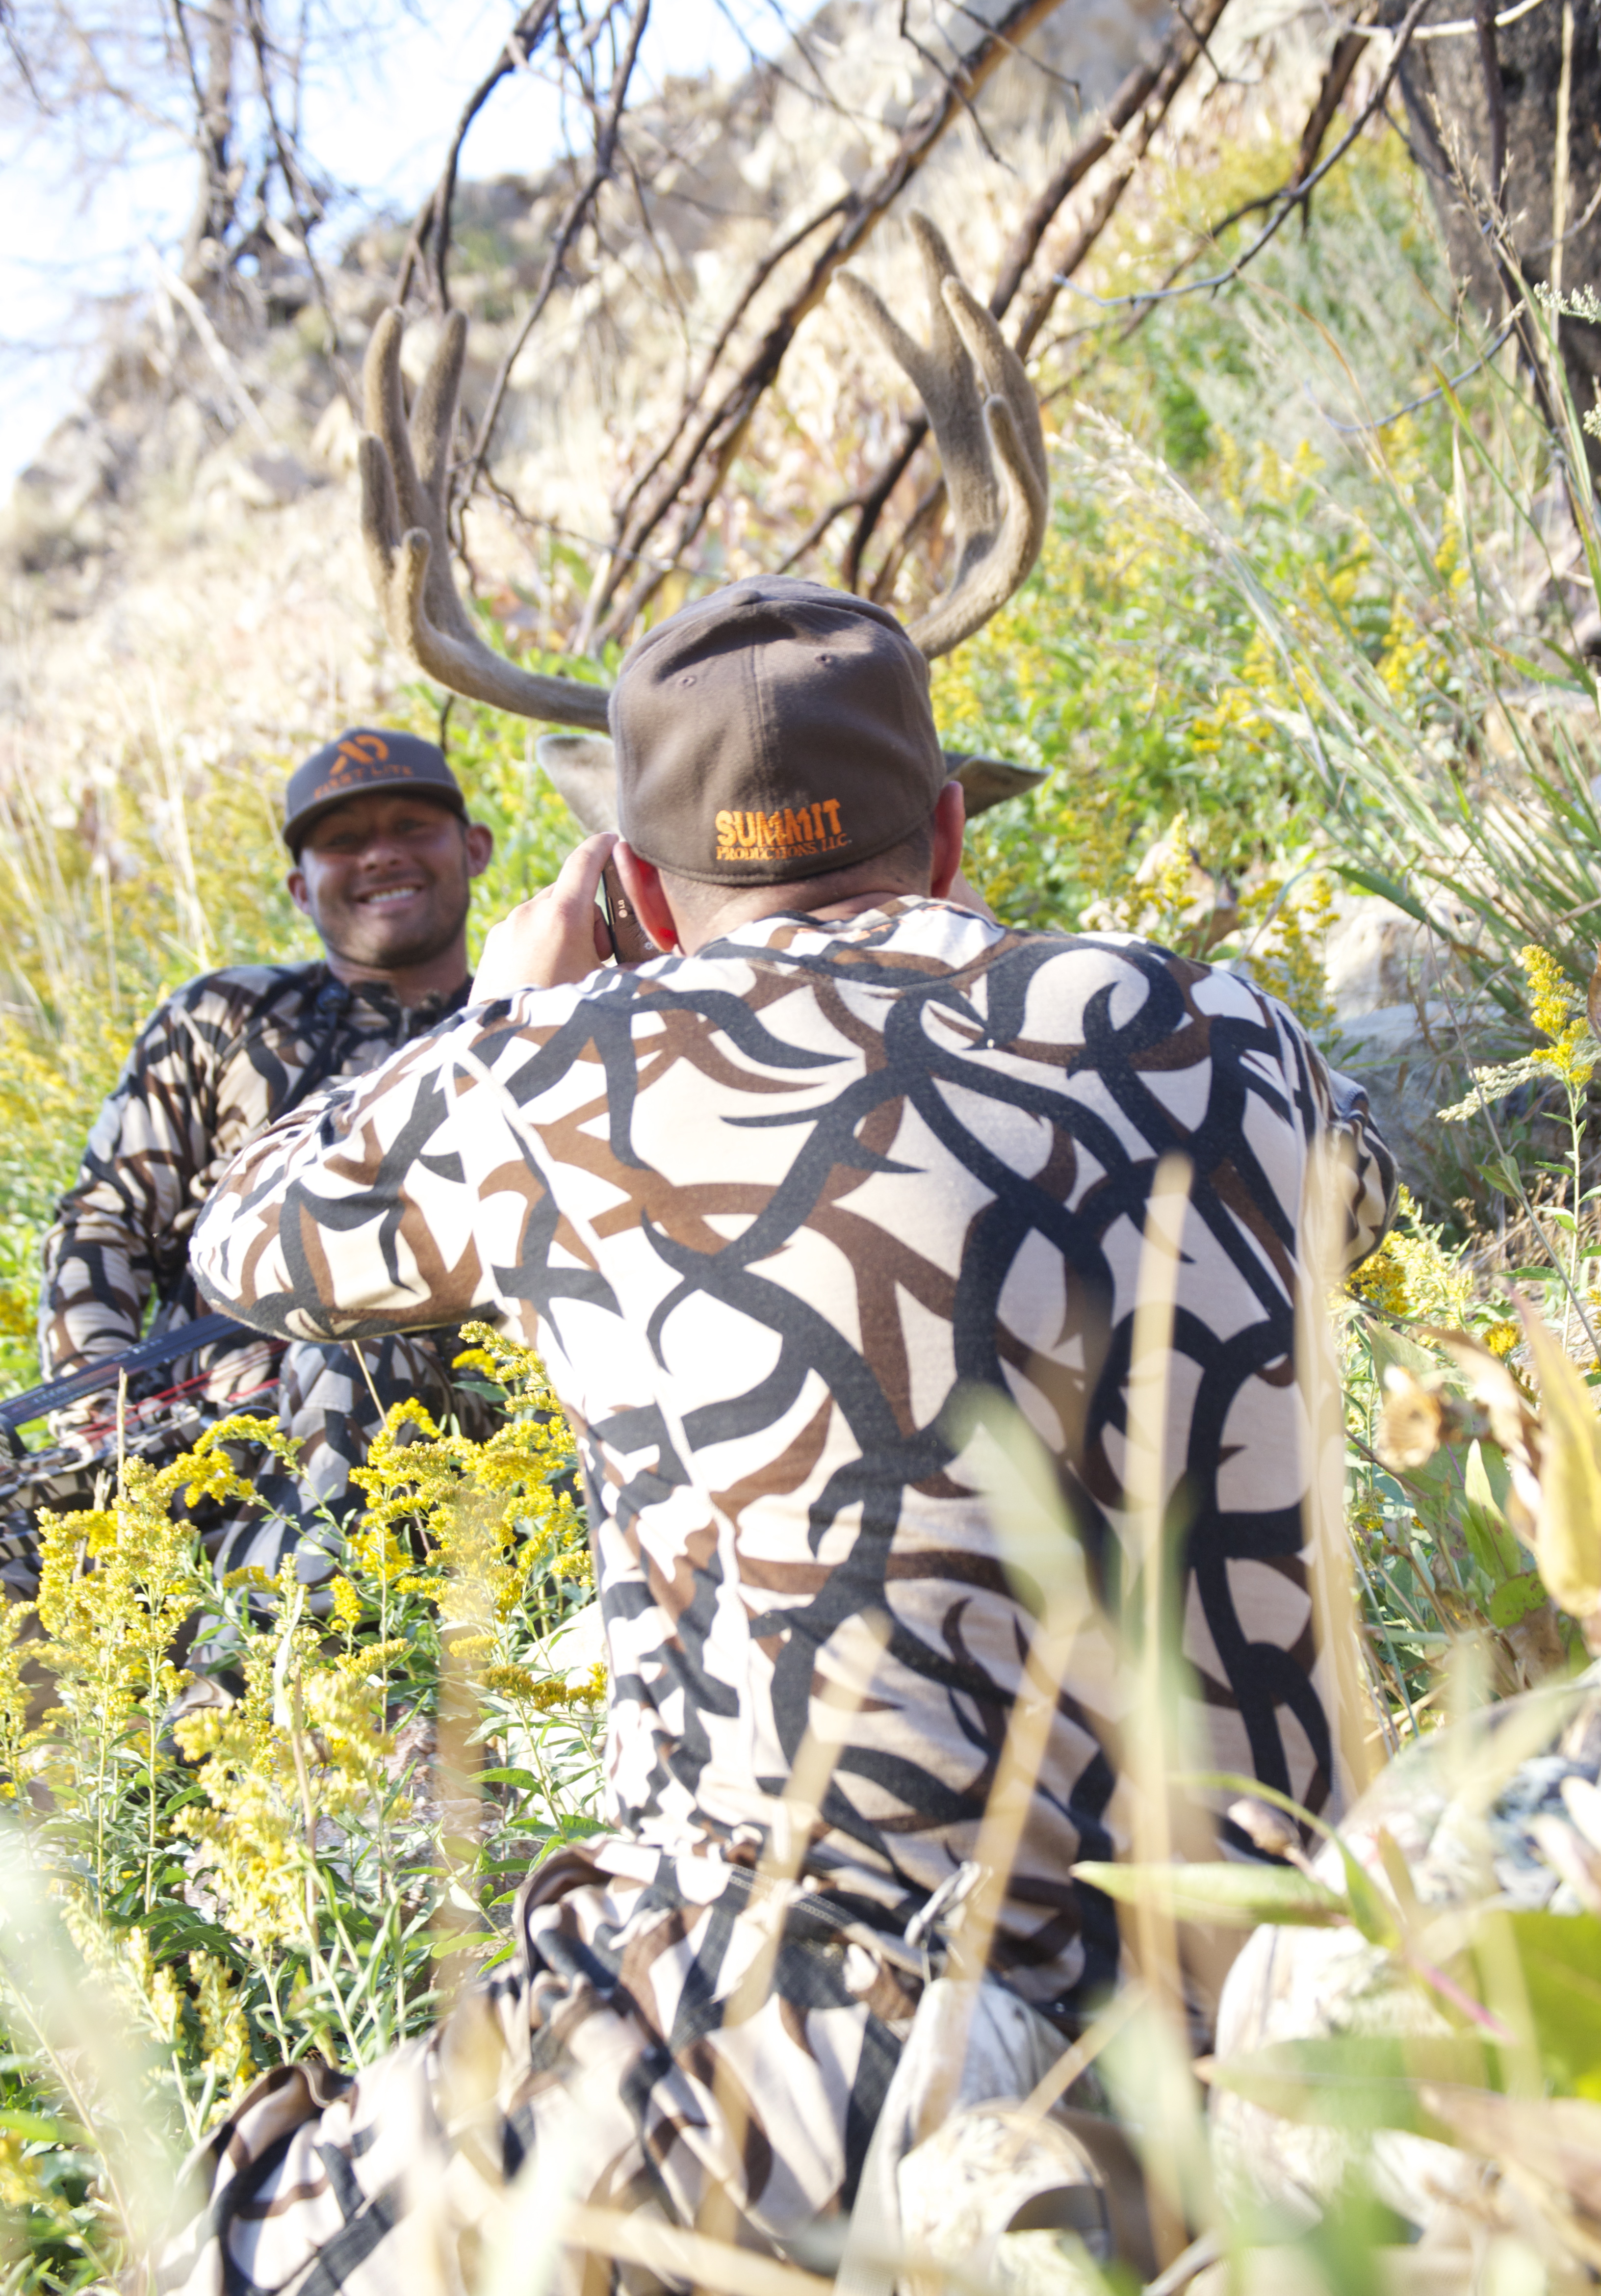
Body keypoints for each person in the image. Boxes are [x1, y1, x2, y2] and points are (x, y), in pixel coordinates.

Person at [161, 578, 1395, 2292]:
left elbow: (240, 1231)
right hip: (1292, 1983)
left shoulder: (555, 1076)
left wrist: (506, 1005)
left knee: (229, 2242)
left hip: (836, 2029)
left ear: (643, 890)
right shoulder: (1233, 1031)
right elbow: (1355, 1207)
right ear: (953, 829)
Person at [36, 724, 500, 1582]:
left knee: (351, 1349)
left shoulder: (525, 1023)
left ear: (474, 848)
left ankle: (270, 1680)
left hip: (425, 1433)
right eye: (344, 842)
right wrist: (103, 1412)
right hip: (186, 1439)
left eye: (412, 827)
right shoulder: (221, 1019)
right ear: (300, 886)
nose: (380, 856)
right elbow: (101, 1225)